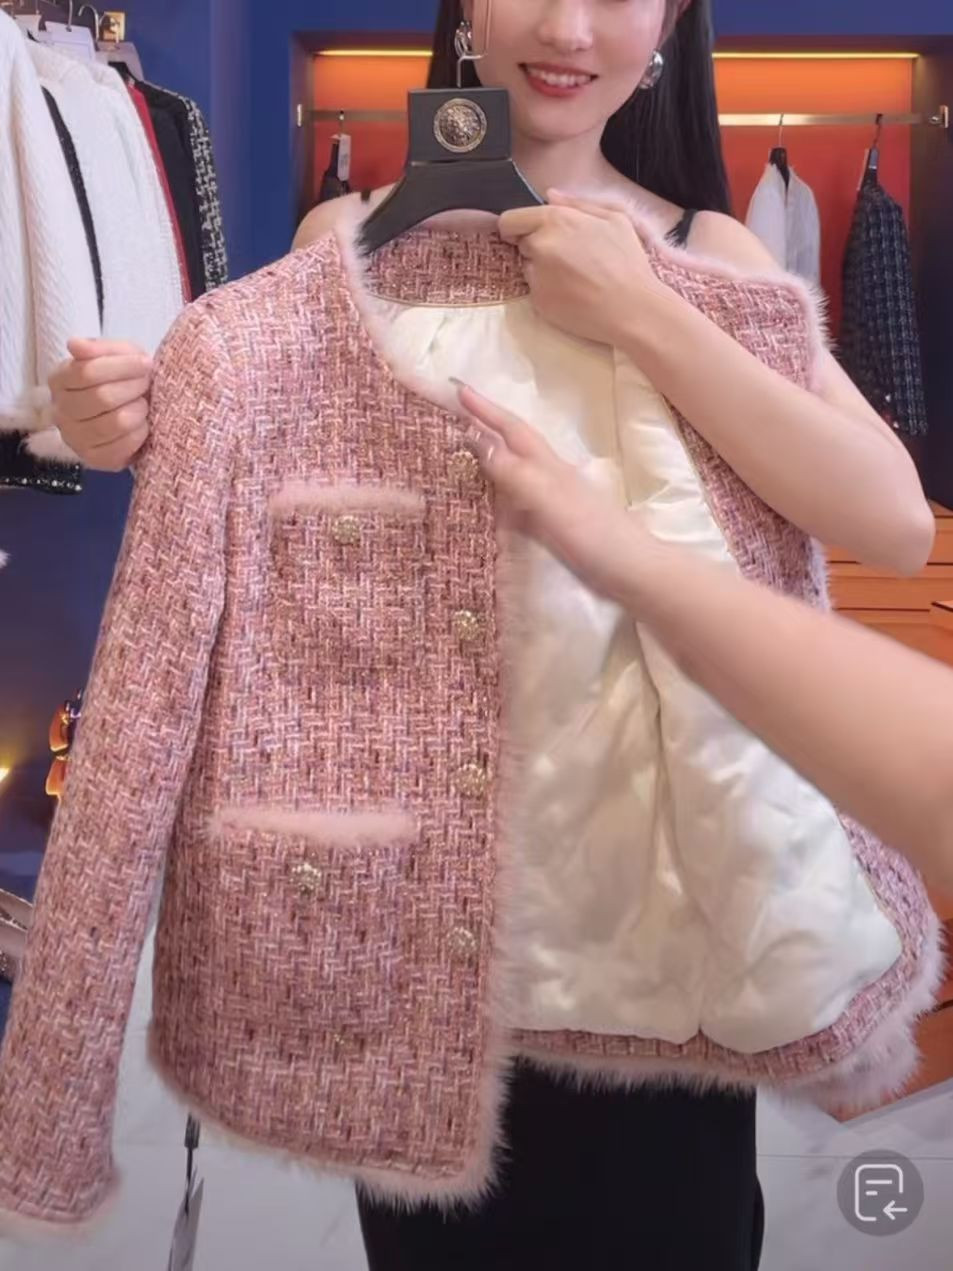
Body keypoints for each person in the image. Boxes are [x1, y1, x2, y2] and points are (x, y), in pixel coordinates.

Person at [41, 2, 937, 1268]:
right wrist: (141, 422)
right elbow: (277, 503)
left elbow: (890, 520)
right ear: (465, 7)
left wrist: (646, 312)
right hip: (405, 928)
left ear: (669, 24)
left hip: (661, 914)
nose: (566, 26)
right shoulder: (342, 247)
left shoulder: (707, 248)